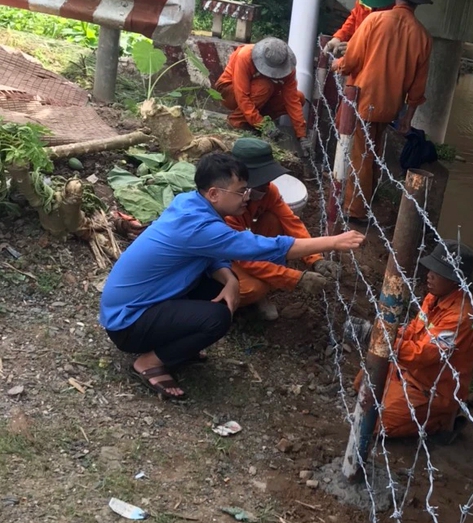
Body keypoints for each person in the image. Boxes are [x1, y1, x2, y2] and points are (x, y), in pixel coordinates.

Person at [100, 153, 364, 400]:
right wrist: (332, 242)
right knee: (217, 318)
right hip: (127, 323)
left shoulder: (189, 203)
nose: (247, 197)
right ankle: (149, 362)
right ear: (214, 193)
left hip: (137, 304)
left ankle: (175, 342)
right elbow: (268, 247)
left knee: (218, 291)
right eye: (240, 192)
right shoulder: (202, 226)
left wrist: (229, 279)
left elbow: (210, 253)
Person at [356, 240, 473, 439]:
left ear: (456, 280)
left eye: (439, 272)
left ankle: (441, 421)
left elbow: (423, 355)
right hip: (410, 371)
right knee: (362, 384)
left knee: (377, 422)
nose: (429, 275)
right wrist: (378, 333)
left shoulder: (461, 317)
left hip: (432, 388)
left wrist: (380, 340)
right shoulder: (435, 297)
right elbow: (413, 330)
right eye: (431, 268)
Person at [334, 0, 433, 223]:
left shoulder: (375, 21)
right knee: (373, 152)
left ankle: (354, 210)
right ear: (418, 2)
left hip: (363, 100)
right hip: (391, 107)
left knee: (360, 155)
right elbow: (417, 88)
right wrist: (406, 118)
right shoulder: (422, 36)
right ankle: (366, 198)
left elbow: (351, 61)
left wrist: (337, 65)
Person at [225, 137, 340, 320]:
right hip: (223, 258)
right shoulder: (227, 206)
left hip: (245, 247)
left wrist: (315, 259)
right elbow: (245, 258)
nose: (266, 184)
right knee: (253, 289)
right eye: (260, 180)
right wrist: (296, 279)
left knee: (274, 220)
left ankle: (265, 282)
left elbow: (291, 222)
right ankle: (227, 307)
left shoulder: (268, 191)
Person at [214, 37, 307, 139]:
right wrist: (263, 125)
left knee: (299, 97)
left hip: (260, 98)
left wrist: (301, 135)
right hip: (229, 92)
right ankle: (237, 122)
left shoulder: (288, 68)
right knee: (265, 86)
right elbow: (242, 95)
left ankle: (253, 121)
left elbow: (292, 100)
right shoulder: (245, 56)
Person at [323, 0, 399, 58]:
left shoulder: (394, 12)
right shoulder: (362, 0)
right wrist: (338, 37)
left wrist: (355, 48)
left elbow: (383, 43)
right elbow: (354, 18)